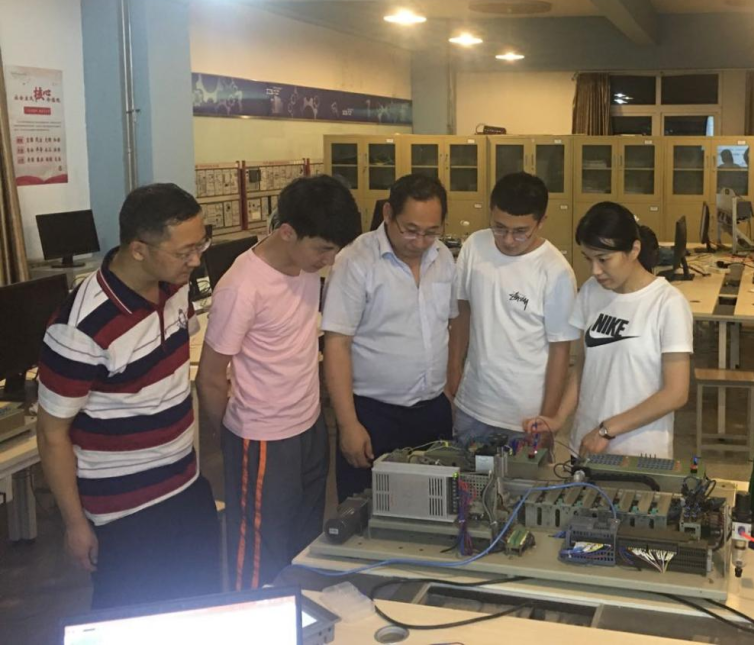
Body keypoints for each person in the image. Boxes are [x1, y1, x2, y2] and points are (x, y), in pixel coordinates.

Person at [36, 184, 219, 610]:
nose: (196, 260)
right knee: (132, 618)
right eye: (185, 251)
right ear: (138, 249)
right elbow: (51, 433)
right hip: (124, 511)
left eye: (201, 245)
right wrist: (75, 524)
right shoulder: (80, 327)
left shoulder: (175, 288)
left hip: (186, 485)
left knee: (200, 608)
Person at [197, 175, 360, 591]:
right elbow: (210, 378)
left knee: (304, 545)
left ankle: (296, 614)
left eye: (334, 250)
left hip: (309, 426)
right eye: (322, 249)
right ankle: (254, 619)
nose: (329, 259)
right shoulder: (242, 286)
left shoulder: (305, 266)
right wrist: (231, 436)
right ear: (287, 231)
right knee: (260, 552)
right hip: (263, 437)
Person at [321, 174, 457, 502]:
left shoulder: (443, 257)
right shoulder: (356, 261)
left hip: (431, 412)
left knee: (434, 507)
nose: (420, 241)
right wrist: (348, 424)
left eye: (431, 231)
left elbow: (449, 326)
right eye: (410, 230)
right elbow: (337, 344)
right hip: (373, 415)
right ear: (388, 214)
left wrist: (449, 390)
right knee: (367, 509)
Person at [524, 203, 692, 459]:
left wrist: (606, 430)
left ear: (634, 250)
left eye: (603, 259)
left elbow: (675, 393)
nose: (595, 270)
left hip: (638, 454)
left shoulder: (668, 303)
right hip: (585, 444)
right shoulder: (591, 292)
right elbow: (584, 366)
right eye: (588, 259)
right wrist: (558, 418)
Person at [447, 173, 577, 443]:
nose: (507, 240)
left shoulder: (555, 271)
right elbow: (462, 311)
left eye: (520, 232)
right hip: (473, 404)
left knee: (522, 472)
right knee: (464, 470)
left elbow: (560, 351)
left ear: (541, 222)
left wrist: (548, 418)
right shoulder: (475, 246)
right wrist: (453, 369)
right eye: (499, 227)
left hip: (526, 415)